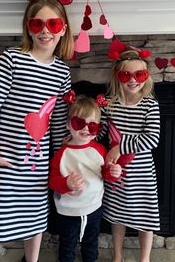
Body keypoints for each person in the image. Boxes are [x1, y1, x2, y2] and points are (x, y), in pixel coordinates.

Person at [0, 0, 74, 262]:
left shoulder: (62, 73)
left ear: (63, 29)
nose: (44, 31)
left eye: (52, 24)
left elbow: (57, 122)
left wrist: (62, 161)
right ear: (28, 28)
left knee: (35, 229)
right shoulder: (11, 60)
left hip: (37, 168)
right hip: (4, 163)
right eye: (37, 24)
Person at [101, 47, 160, 262]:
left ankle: (144, 258)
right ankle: (118, 255)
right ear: (118, 77)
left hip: (142, 174)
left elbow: (152, 139)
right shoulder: (110, 105)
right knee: (118, 216)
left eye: (139, 75)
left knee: (147, 217)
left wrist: (120, 147)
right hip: (117, 174)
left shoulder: (150, 105)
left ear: (147, 77)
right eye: (126, 75)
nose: (132, 80)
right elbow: (103, 134)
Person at [49, 94, 122, 262]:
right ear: (68, 125)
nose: (86, 129)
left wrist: (113, 173)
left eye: (92, 125)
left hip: (94, 208)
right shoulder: (62, 154)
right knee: (67, 245)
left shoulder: (100, 150)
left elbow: (105, 174)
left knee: (91, 243)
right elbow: (52, 181)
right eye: (79, 123)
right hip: (68, 211)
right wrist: (66, 183)